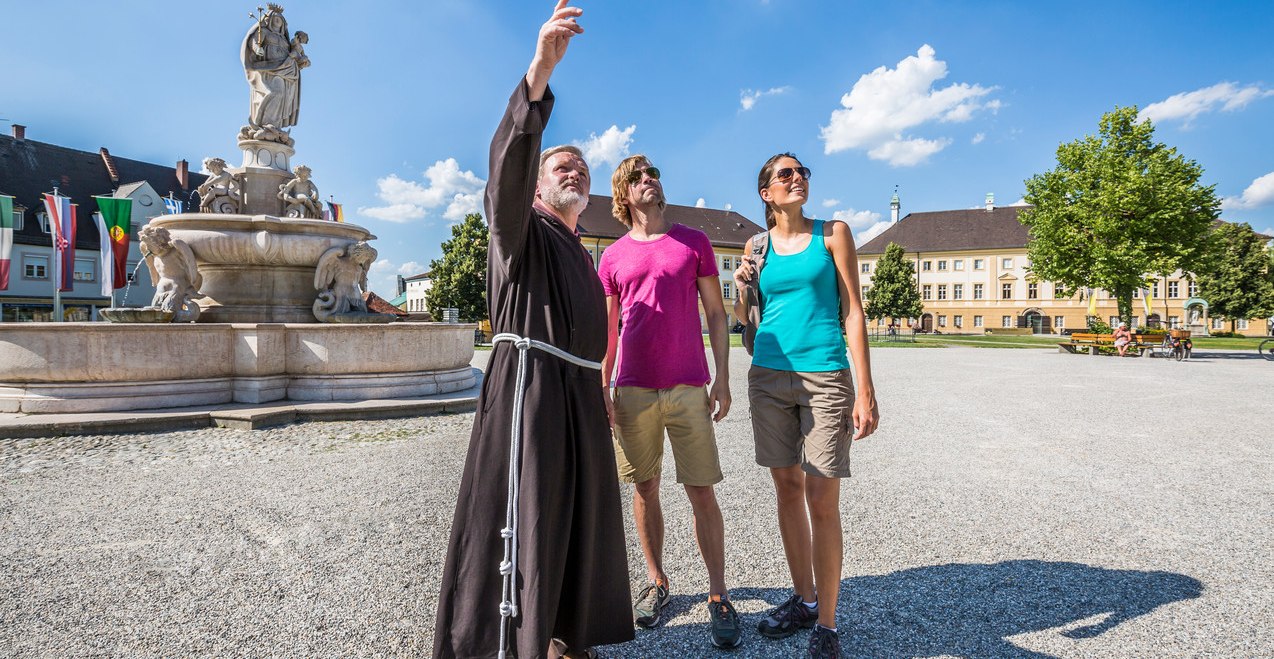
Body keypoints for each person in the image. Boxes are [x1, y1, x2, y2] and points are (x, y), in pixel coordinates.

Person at [433, 3, 633, 658]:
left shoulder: (581, 251)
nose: (574, 170)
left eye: (582, 166)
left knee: (579, 525)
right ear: (537, 186)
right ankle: (512, 642)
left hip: (577, 397)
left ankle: (565, 634)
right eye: (560, 166)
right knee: (532, 523)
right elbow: (506, 174)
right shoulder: (519, 231)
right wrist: (539, 74)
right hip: (533, 397)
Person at [732, 153, 880, 658]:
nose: (797, 180)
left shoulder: (832, 233)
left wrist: (865, 389)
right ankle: (804, 598)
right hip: (768, 377)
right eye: (785, 174)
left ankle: (829, 624)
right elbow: (744, 319)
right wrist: (740, 288)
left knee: (822, 497)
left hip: (825, 376)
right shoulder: (755, 246)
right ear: (766, 193)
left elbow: (854, 312)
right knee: (787, 488)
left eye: (802, 173)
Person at [598, 155, 740, 648]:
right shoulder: (612, 257)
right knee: (644, 489)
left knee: (702, 490)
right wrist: (603, 383)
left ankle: (718, 594)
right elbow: (609, 329)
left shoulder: (694, 241)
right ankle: (657, 582)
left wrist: (722, 378)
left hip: (687, 385)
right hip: (634, 388)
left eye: (652, 173)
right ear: (624, 194)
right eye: (636, 178)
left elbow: (717, 315)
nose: (648, 180)